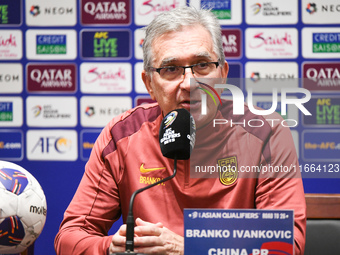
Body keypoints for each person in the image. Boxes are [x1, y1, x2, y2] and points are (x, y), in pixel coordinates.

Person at [55, 6, 306, 255]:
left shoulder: (266, 133)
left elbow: (284, 246)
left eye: (202, 65)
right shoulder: (122, 136)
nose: (189, 83)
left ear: (223, 74)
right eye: (171, 69)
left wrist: (188, 249)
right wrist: (109, 248)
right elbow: (70, 236)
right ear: (149, 84)